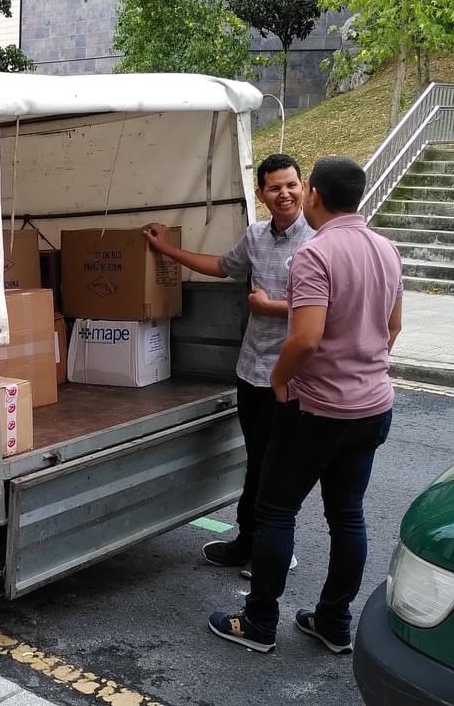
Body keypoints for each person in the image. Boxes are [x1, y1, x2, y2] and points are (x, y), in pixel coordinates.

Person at [208, 156, 403, 654]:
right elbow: (393, 328)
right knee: (348, 516)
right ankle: (334, 623)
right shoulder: (386, 249)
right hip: (373, 406)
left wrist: (278, 381)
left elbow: (305, 339)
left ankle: (257, 624)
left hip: (317, 410)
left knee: (275, 512)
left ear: (313, 193)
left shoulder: (315, 255)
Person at [143, 153, 310, 571]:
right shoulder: (255, 236)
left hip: (292, 375)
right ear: (261, 194)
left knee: (279, 466)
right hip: (252, 370)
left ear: (303, 187)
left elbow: (328, 310)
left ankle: (274, 547)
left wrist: (271, 307)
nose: (284, 194)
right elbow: (220, 266)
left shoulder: (320, 240)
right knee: (256, 459)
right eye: (275, 187)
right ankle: (249, 539)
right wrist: (166, 249)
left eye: (291, 185)